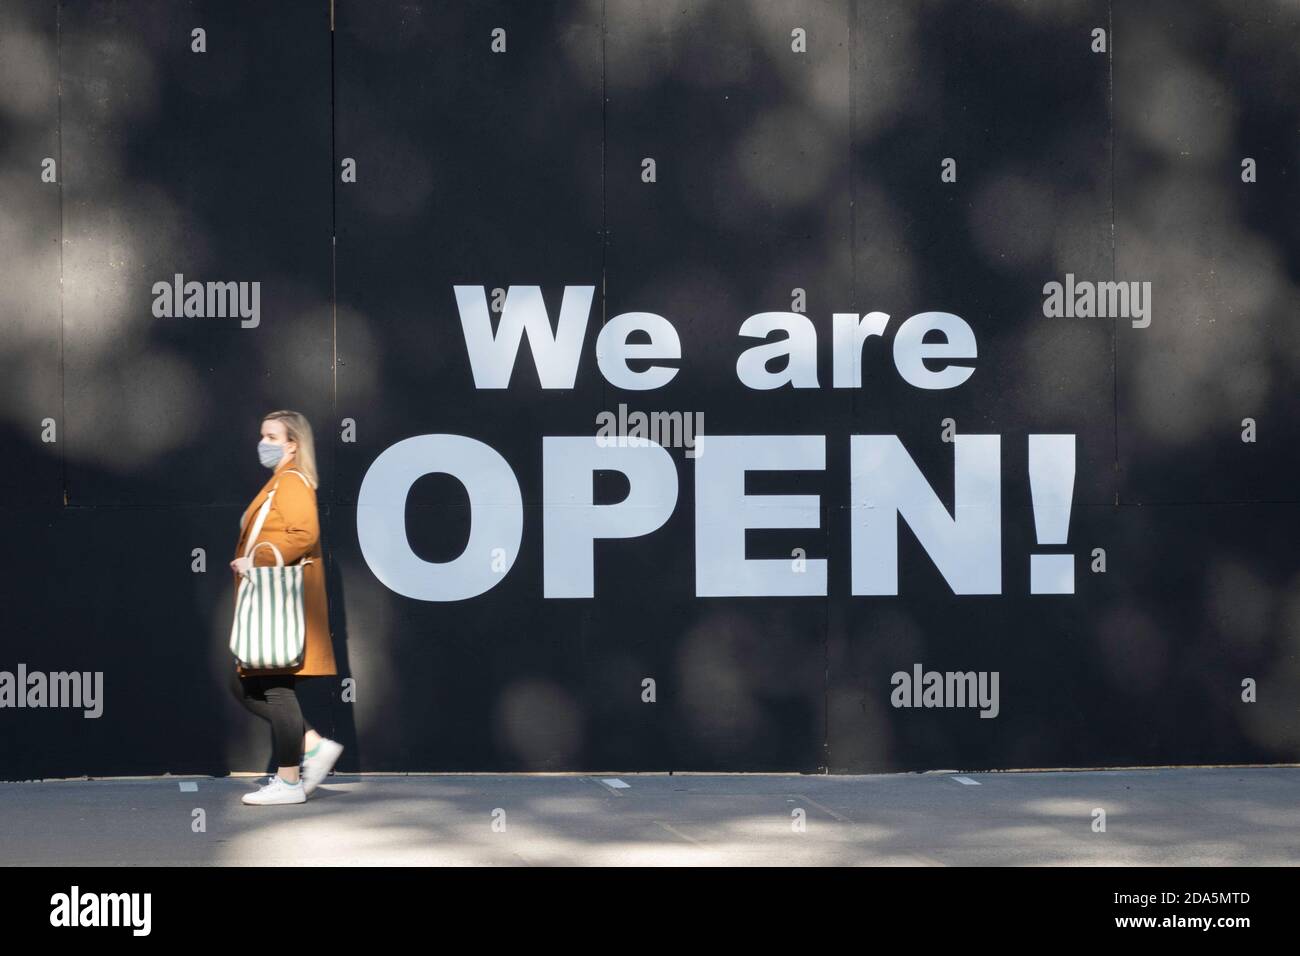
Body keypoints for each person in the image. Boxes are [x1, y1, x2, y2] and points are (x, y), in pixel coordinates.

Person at [228, 410, 343, 805]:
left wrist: (257, 561)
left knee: (276, 686)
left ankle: (290, 781)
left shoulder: (291, 481)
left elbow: (305, 533)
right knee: (245, 684)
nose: (264, 443)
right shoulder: (279, 482)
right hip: (272, 599)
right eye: (262, 435)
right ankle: (312, 746)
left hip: (281, 600)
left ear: (292, 444)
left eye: (272, 436)